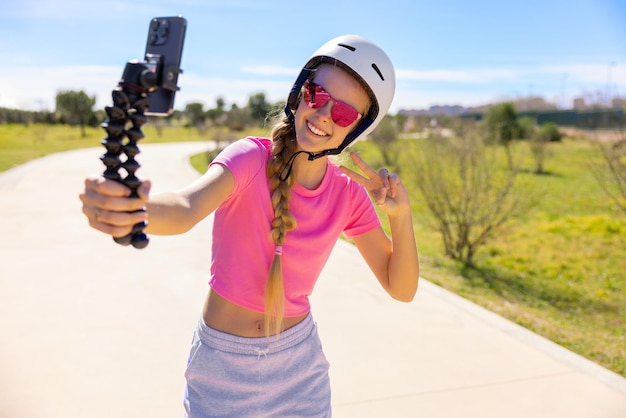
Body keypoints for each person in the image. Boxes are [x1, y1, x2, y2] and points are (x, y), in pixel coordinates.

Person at [80, 34, 419, 418]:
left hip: (299, 373)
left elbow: (401, 288)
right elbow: (185, 206)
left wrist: (400, 216)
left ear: (356, 130)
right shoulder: (248, 158)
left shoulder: (348, 196)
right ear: (298, 94)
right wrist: (133, 208)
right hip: (222, 368)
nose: (324, 114)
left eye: (342, 114)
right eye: (317, 95)